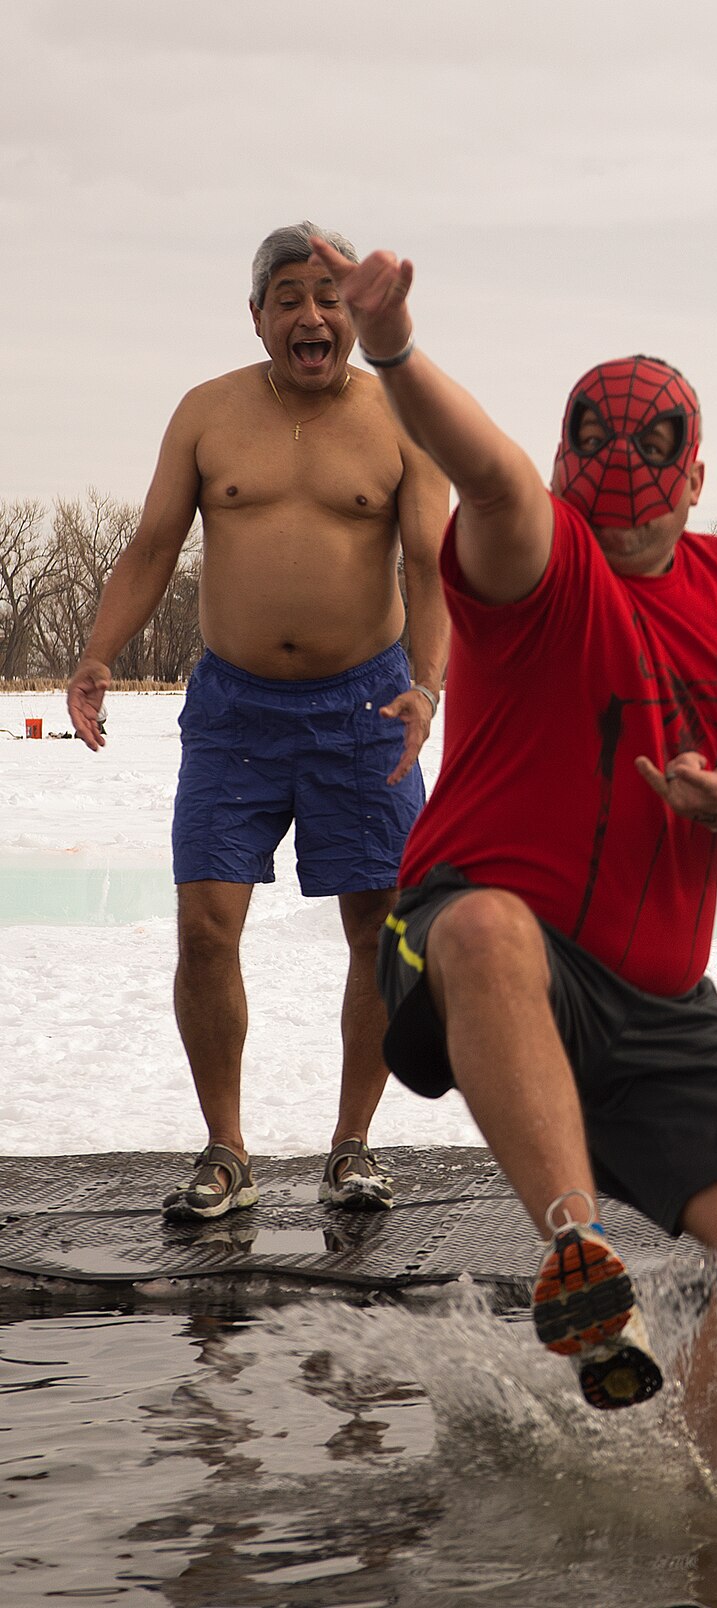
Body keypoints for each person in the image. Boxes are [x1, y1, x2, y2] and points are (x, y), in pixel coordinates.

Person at [307, 236, 717, 1464]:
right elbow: (483, 472)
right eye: (588, 444)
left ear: (697, 477)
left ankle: (705, 1486)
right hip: (474, 947)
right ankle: (574, 1256)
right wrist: (389, 348)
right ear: (559, 461)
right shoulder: (531, 557)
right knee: (490, 923)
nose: (621, 468)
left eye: (653, 452)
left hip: (656, 1007)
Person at [66, 223, 449, 1222]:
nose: (311, 314)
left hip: (366, 706)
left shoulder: (402, 419)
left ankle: (353, 1145)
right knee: (204, 927)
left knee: (376, 927)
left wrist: (430, 684)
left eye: (329, 295)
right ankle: (226, 1151)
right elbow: (151, 545)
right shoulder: (207, 413)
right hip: (234, 710)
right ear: (258, 315)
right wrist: (102, 650)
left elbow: (430, 566)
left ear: (357, 311)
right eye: (289, 296)